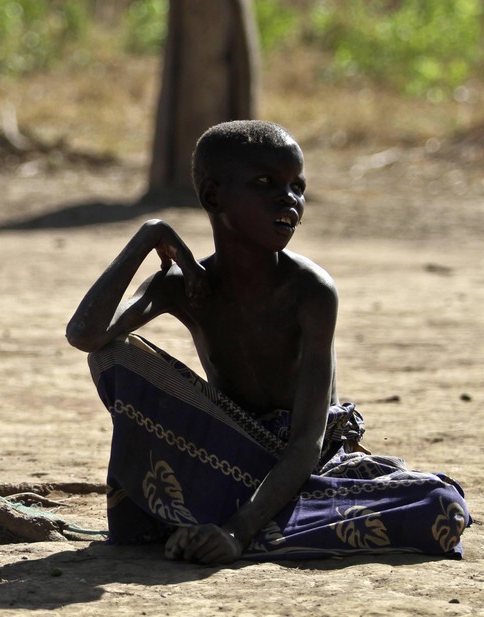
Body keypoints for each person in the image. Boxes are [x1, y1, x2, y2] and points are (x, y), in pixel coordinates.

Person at [66, 120, 470, 564]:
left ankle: (222, 525)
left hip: (304, 466)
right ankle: (234, 523)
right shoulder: (184, 286)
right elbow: (87, 336)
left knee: (443, 507)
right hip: (223, 456)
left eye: (297, 187)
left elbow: (307, 443)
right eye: (265, 183)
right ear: (212, 197)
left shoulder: (311, 291)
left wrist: (237, 533)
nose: (288, 199)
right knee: (115, 355)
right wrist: (151, 235)